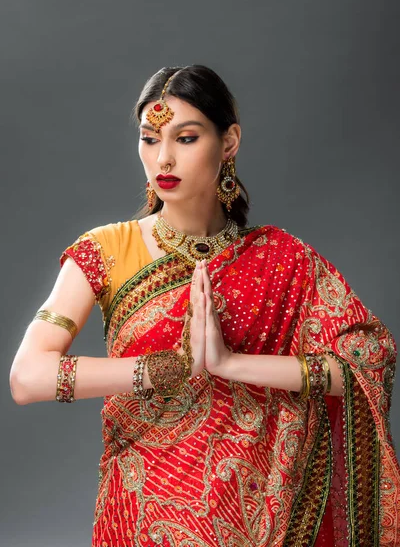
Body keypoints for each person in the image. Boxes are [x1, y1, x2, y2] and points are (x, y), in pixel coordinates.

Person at [10, 64, 400, 547]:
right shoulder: (106, 251)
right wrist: (162, 370)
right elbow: (27, 378)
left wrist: (231, 364)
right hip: (138, 518)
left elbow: (366, 364)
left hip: (261, 526)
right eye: (150, 139)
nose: (163, 159)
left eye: (186, 138)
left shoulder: (283, 259)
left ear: (229, 142)